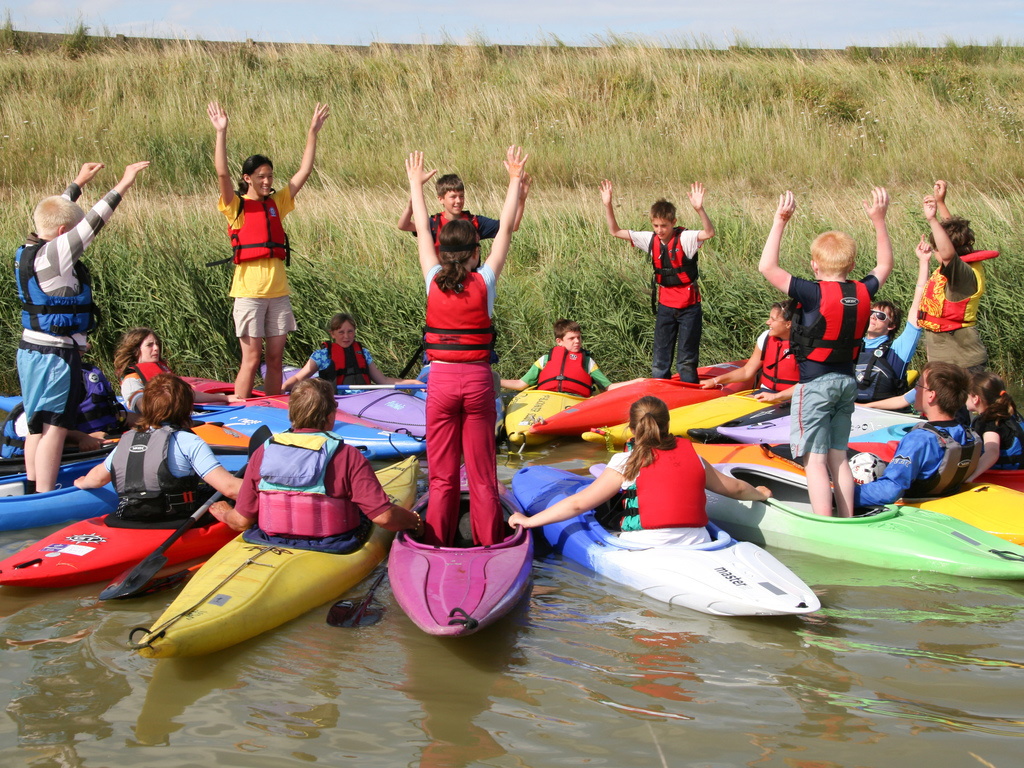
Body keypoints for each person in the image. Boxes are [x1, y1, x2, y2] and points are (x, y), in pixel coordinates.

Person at [406, 146, 528, 547]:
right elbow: (507, 229)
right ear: (476, 252)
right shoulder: (485, 281)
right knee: (481, 474)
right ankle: (489, 543)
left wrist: (414, 183)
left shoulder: (431, 278)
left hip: (439, 384)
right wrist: (513, 179)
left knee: (441, 477)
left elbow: (422, 228)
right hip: (477, 385)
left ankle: (436, 543)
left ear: (443, 252)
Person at [15, 160, 149, 494]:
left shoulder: (31, 249)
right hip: (54, 355)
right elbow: (92, 223)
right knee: (55, 427)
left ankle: (34, 486)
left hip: (31, 351)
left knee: (37, 424)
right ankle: (44, 495)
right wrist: (124, 182)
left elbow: (56, 214)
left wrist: (76, 184)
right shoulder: (56, 255)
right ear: (63, 235)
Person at [759, 188, 892, 518]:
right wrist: (879, 220)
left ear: (814, 265)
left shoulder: (812, 291)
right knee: (837, 456)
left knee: (814, 459)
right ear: (851, 264)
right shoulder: (863, 289)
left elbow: (767, 267)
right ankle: (847, 517)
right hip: (848, 383)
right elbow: (885, 263)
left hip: (815, 386)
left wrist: (780, 221)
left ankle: (824, 522)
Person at [507, 396, 771, 544]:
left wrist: (529, 521)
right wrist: (760, 493)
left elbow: (577, 505)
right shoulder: (694, 457)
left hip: (648, 546)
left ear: (632, 430)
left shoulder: (626, 463)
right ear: (668, 426)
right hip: (699, 541)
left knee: (599, 514)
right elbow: (735, 488)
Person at [207, 100, 330, 399]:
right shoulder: (235, 206)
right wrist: (221, 132)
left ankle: (272, 406)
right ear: (247, 178)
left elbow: (304, 171)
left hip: (278, 294)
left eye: (270, 176)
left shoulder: (277, 203)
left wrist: (312, 132)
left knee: (274, 360)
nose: (267, 181)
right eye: (260, 176)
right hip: (249, 294)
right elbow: (223, 174)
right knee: (251, 360)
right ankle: (243, 408)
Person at [211, 379, 422, 551]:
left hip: (270, 540)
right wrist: (415, 522)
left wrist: (225, 513)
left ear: (291, 413)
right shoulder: (347, 455)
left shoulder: (262, 452)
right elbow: (384, 517)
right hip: (334, 545)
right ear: (331, 416)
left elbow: (240, 522)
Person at [73, 374, 242, 527]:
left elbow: (96, 480)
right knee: (223, 494)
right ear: (186, 408)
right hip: (176, 521)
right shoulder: (188, 440)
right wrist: (264, 488)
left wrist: (81, 482)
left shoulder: (127, 439)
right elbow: (230, 488)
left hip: (131, 519)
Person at [600, 179, 715, 383]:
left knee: (686, 361)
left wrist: (700, 209)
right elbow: (615, 231)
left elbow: (709, 233)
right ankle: (660, 394)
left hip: (689, 308)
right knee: (660, 361)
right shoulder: (650, 239)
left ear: (673, 222)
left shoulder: (686, 238)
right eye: (656, 225)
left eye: (664, 225)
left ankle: (688, 394)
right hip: (665, 307)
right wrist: (608, 204)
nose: (660, 230)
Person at [855, 362, 979, 508]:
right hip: (945, 500)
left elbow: (889, 490)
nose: (915, 391)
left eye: (918, 386)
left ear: (931, 395)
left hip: (916, 506)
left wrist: (842, 494)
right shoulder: (967, 433)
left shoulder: (919, 439)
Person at [917, 180, 993, 373]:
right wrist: (941, 203)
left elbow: (949, 253)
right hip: (944, 361)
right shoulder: (962, 266)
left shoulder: (962, 275)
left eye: (936, 249)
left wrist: (932, 220)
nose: (936, 252)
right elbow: (954, 240)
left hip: (961, 364)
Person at [855, 233, 931, 404]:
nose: (873, 317)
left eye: (880, 316)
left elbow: (917, 309)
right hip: (851, 410)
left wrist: (924, 262)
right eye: (871, 313)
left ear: (891, 326)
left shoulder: (898, 349)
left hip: (884, 412)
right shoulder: (853, 345)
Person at [397, 171, 529, 254]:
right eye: (453, 197)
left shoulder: (474, 222)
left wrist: (521, 200)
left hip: (470, 283)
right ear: (441, 199)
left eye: (461, 196)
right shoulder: (434, 223)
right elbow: (404, 225)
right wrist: (410, 207)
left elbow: (512, 227)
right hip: (442, 283)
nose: (458, 201)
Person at [281, 313, 421, 391]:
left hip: (363, 398)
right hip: (337, 399)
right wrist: (284, 388)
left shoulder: (363, 353)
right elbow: (300, 378)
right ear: (332, 334)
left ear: (355, 332)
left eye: (350, 331)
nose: (346, 336)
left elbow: (382, 380)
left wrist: (413, 382)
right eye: (341, 332)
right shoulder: (321, 355)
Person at [114, 327, 242, 411]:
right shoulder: (132, 380)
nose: (156, 348)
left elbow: (188, 395)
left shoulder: (160, 370)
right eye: (150, 345)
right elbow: (141, 406)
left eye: (157, 344)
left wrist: (225, 398)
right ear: (136, 350)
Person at [700, 301, 799, 405]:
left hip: (795, 398)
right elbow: (747, 371)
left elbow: (809, 383)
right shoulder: (765, 337)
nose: (767, 322)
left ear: (788, 324)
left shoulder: (807, 346)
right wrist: (715, 381)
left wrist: (776, 397)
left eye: (773, 319)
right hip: (767, 393)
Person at [500, 319, 615, 396]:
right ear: (559, 341)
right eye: (571, 338)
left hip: (576, 400)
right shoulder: (545, 360)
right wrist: (494, 380)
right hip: (548, 398)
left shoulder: (587, 362)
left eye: (579, 337)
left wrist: (633, 383)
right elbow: (521, 384)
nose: (577, 341)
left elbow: (608, 387)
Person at [966, 371, 1023, 478]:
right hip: (1020, 475)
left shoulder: (988, 422)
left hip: (1004, 480)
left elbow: (992, 453)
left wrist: (969, 477)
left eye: (967, 395)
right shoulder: (1012, 413)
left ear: (975, 399)